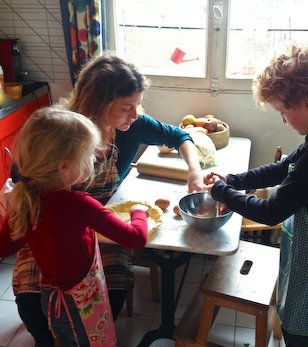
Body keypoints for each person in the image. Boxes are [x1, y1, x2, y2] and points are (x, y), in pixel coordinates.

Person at [10, 53, 205, 346]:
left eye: (137, 105)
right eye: (127, 107)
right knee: (34, 311)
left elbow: (180, 136)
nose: (135, 114)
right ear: (99, 104)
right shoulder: (64, 129)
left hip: (101, 231)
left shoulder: (133, 127)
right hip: (47, 226)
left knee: (102, 305)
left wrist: (195, 172)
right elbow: (22, 172)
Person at [205, 40, 308, 347]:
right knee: (295, 328)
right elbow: (281, 168)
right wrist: (232, 179)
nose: (283, 119)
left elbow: (272, 211)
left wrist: (223, 193)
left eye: (283, 110)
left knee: (302, 336)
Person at [0, 107, 149, 346]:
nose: (94, 158)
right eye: (89, 154)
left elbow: (3, 246)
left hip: (53, 298)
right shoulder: (79, 205)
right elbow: (135, 239)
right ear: (64, 166)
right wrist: (139, 212)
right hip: (82, 301)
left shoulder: (24, 200)